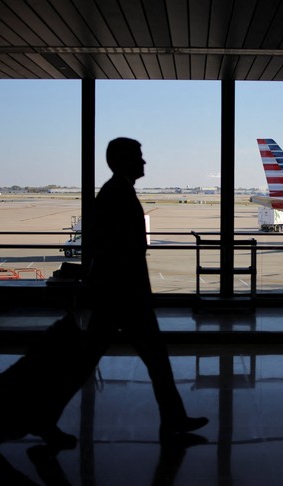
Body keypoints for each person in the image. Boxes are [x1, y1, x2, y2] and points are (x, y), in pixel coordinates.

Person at [87, 137, 208, 440]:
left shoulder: (117, 191)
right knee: (154, 360)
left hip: (117, 293)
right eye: (138, 156)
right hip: (124, 295)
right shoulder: (118, 193)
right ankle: (174, 420)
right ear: (122, 161)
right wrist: (137, 292)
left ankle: (174, 419)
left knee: (89, 361)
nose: (144, 162)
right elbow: (121, 251)